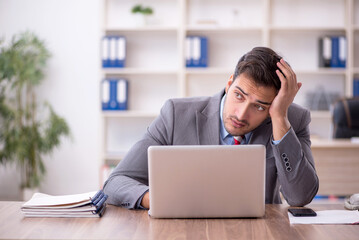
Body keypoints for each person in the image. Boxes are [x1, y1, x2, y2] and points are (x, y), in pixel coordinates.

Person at [103, 47, 319, 209]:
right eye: (239, 95)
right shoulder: (176, 114)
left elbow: (300, 197)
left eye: (259, 106)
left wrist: (280, 118)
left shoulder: (292, 121)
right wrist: (161, 200)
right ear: (229, 83)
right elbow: (115, 183)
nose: (242, 114)